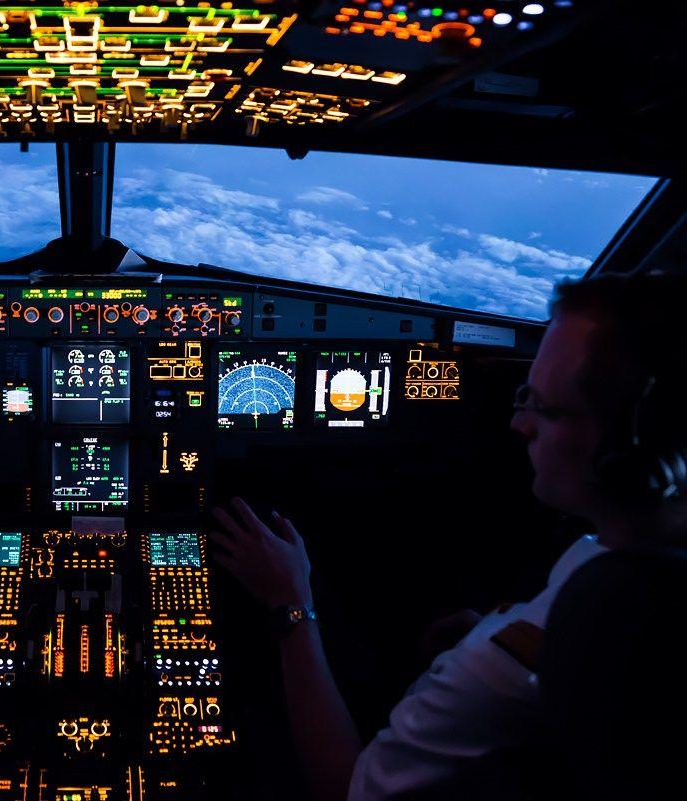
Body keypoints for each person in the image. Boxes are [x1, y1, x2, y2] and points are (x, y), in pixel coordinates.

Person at [211, 271, 687, 800]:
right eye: (522, 393)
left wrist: (289, 602)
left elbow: (345, 789)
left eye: (541, 405)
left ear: (637, 455)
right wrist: (486, 628)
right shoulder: (614, 563)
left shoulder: (507, 663)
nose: (518, 424)